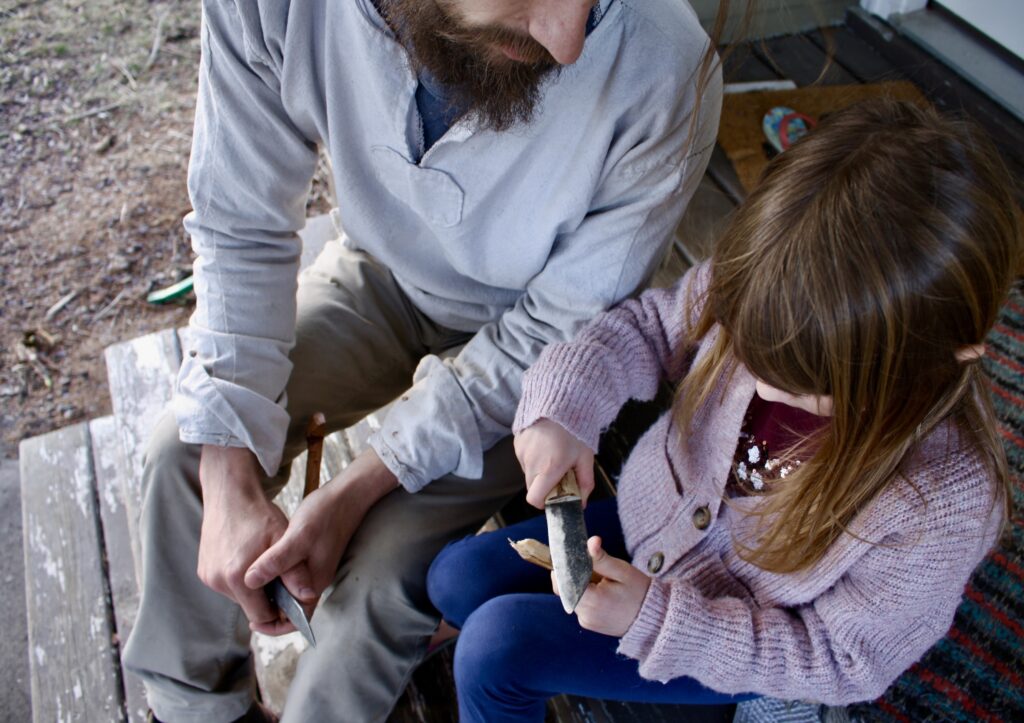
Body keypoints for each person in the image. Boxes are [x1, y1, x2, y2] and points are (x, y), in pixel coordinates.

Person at [122, 0, 723, 721]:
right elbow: (241, 226)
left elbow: (553, 332)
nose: (569, 44)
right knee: (183, 453)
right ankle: (196, 710)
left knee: (377, 583)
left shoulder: (667, 64)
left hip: (537, 356)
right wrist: (224, 475)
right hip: (382, 276)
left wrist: (355, 489)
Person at [426, 99, 1023, 721]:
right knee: (456, 579)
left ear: (948, 357)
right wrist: (563, 410)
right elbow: (649, 329)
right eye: (750, 352)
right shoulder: (769, 284)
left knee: (497, 650)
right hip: (649, 527)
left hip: (728, 647)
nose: (762, 389)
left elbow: (845, 660)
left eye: (808, 385)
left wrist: (653, 620)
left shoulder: (945, 500)